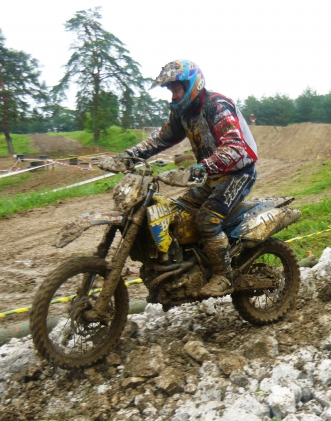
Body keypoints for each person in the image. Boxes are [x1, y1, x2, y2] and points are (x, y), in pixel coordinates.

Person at [98, 59, 258, 297]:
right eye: (171, 90)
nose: (173, 95)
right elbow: (160, 138)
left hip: (238, 173)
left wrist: (202, 167)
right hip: (211, 175)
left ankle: (223, 275)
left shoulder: (217, 106)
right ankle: (193, 266)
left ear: (191, 84)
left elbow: (235, 147)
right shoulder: (182, 113)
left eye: (176, 89)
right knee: (179, 214)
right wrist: (128, 156)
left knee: (206, 220)